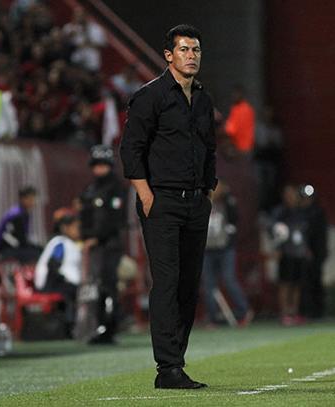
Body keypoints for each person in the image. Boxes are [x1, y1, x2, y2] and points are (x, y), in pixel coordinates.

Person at [120, 24, 217, 389]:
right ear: (168, 55)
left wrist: (207, 193)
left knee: (188, 286)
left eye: (196, 50)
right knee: (167, 283)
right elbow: (131, 149)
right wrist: (147, 197)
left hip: (196, 203)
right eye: (184, 50)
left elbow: (209, 150)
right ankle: (168, 369)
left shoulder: (203, 99)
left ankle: (176, 363)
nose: (191, 56)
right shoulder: (150, 96)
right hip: (161, 201)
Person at [80, 144, 126, 345]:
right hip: (94, 245)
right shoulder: (90, 189)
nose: (99, 169)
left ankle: (109, 327)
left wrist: (96, 237)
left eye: (103, 165)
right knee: (96, 287)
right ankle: (96, 326)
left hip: (109, 245)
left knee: (108, 285)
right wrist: (86, 237)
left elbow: (116, 220)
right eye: (96, 165)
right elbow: (85, 216)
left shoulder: (116, 188)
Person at [202, 181, 252, 326]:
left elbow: (235, 220)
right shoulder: (202, 202)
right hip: (207, 249)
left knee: (229, 279)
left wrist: (227, 194)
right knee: (208, 284)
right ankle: (213, 317)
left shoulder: (228, 202)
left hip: (225, 248)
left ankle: (244, 310)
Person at [35, 212, 84, 338]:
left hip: (62, 283)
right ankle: (70, 327)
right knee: (74, 291)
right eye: (75, 227)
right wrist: (64, 280)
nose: (78, 230)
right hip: (51, 283)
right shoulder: (59, 243)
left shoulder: (71, 244)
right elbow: (53, 265)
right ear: (65, 228)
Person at [271, 184, 311, 326]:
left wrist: (306, 248)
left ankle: (294, 312)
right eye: (288, 194)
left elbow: (304, 232)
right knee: (285, 283)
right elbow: (274, 231)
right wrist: (277, 248)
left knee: (297, 284)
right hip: (286, 252)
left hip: (299, 252)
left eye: (293, 194)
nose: (291, 197)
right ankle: (285, 313)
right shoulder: (280, 212)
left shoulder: (301, 212)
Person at [298, 184, 329, 319]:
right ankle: (306, 310)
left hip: (317, 252)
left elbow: (320, 236)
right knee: (305, 283)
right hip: (304, 252)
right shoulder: (299, 213)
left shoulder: (318, 212)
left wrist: (318, 251)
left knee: (315, 281)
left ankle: (317, 311)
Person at [0, 186, 42, 263]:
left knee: (38, 250)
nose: (33, 202)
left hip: (14, 247)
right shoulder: (16, 215)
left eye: (33, 199)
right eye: (30, 199)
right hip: (6, 249)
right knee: (38, 253)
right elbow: (18, 239)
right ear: (22, 199)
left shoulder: (23, 213)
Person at [224, 85, 255, 154]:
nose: (233, 96)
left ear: (241, 94)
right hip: (247, 147)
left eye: (236, 94)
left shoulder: (238, 109)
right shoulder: (248, 108)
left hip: (239, 147)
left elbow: (231, 130)